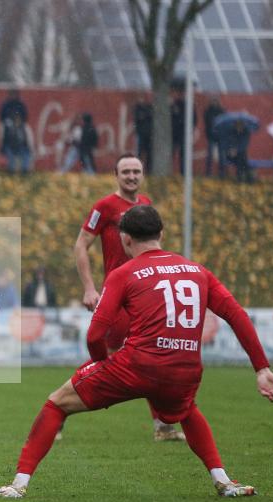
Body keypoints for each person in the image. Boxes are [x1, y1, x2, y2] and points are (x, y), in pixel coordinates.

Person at [0, 205, 273, 499]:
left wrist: (102, 363)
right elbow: (237, 315)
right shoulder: (198, 271)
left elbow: (95, 335)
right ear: (162, 233)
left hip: (136, 366)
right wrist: (261, 368)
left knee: (56, 403)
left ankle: (18, 485)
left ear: (124, 239)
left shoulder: (124, 273)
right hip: (185, 371)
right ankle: (223, 481)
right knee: (186, 410)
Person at [74, 153, 183, 441]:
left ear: (142, 175)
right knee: (105, 358)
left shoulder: (146, 205)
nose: (131, 176)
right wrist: (89, 287)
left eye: (136, 171)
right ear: (116, 175)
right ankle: (60, 406)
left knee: (154, 354)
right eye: (126, 172)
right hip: (119, 295)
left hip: (145, 295)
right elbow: (81, 245)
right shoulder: (104, 207)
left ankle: (163, 426)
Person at [170, 91, 196, 175]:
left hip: (184, 134)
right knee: (172, 153)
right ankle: (169, 172)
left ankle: (183, 172)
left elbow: (194, 119)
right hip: (175, 133)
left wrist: (190, 129)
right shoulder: (174, 104)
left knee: (183, 154)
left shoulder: (189, 106)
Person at [220, 118, 252, 183]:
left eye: (240, 125)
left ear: (243, 125)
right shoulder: (231, 132)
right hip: (230, 154)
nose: (239, 127)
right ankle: (249, 177)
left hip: (240, 154)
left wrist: (236, 150)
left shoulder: (246, 132)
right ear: (235, 125)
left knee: (241, 157)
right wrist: (230, 149)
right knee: (243, 159)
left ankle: (240, 177)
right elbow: (227, 143)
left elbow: (244, 144)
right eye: (237, 125)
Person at [203, 97, 224, 177]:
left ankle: (221, 173)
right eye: (213, 101)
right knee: (210, 155)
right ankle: (208, 173)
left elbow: (224, 123)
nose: (214, 103)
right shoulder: (208, 111)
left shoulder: (221, 111)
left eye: (215, 101)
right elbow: (207, 123)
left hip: (220, 136)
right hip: (211, 136)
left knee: (222, 155)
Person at [132, 94, 153, 171]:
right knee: (140, 154)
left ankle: (149, 170)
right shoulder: (138, 109)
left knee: (149, 155)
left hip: (149, 136)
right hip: (141, 135)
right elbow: (139, 117)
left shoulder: (150, 108)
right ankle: (138, 169)